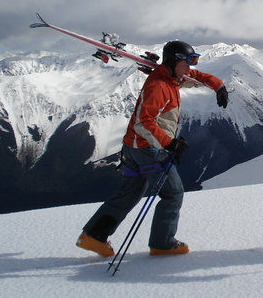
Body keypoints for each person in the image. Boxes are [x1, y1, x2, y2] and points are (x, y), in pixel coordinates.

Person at [76, 40, 229, 257]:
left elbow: (198, 77)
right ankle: (162, 244)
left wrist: (219, 86)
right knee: (173, 193)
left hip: (133, 148)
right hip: (149, 149)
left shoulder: (173, 78)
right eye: (188, 61)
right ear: (175, 61)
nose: (190, 67)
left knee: (129, 194)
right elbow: (143, 121)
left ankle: (93, 236)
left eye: (193, 61)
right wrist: (170, 143)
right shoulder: (159, 86)